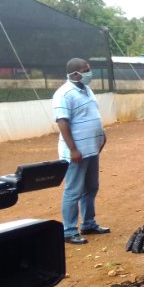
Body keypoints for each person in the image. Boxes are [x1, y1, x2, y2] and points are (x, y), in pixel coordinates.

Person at [52, 57, 110, 245]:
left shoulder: (86, 90)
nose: (89, 73)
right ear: (75, 74)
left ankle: (89, 223)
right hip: (76, 152)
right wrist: (73, 149)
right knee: (73, 191)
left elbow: (91, 115)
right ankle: (69, 230)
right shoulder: (64, 94)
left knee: (91, 188)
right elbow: (62, 122)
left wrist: (101, 136)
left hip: (91, 149)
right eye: (86, 70)